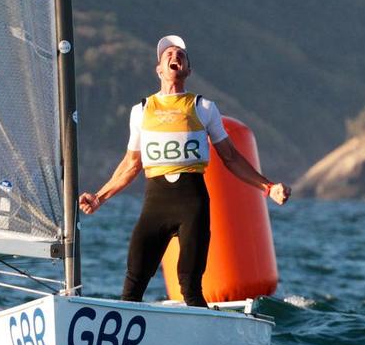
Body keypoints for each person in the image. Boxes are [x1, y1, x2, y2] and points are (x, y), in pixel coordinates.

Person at [79, 35, 290, 307]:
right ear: (158, 69)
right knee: (133, 284)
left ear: (188, 70)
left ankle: (208, 341)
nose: (173, 56)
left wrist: (268, 187)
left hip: (192, 206)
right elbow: (131, 165)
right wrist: (99, 197)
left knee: (190, 287)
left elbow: (231, 158)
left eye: (180, 54)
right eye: (167, 54)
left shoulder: (203, 108)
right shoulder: (141, 111)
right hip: (155, 207)